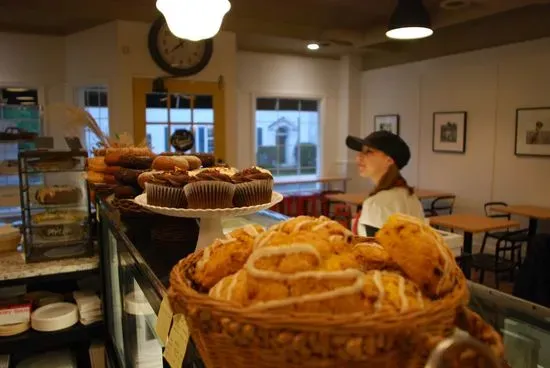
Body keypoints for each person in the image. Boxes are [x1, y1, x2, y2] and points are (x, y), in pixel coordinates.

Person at [346, 131, 424, 236]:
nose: (358, 157)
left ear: (389, 160)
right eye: (361, 151)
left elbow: (373, 249)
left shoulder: (377, 204)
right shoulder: (410, 197)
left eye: (368, 151)